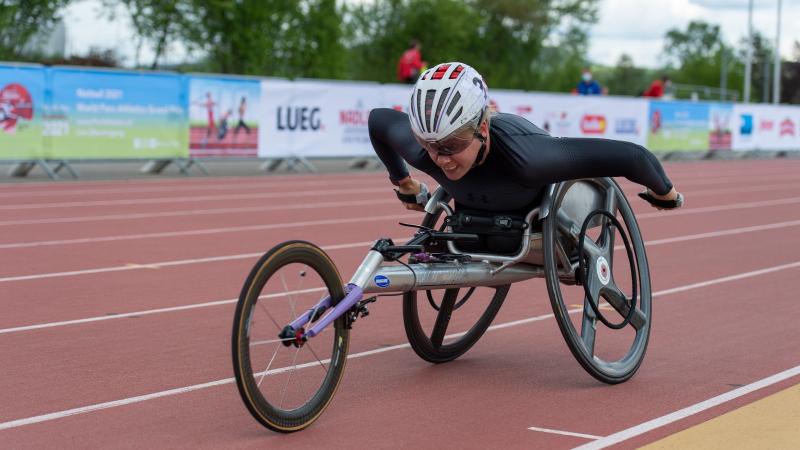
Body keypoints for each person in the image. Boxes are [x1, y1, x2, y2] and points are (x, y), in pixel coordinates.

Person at [368, 62, 683, 218]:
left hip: (537, 204)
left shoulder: (530, 159)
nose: (441, 159)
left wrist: (665, 193)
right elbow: (377, 120)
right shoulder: (421, 150)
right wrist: (404, 183)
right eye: (429, 146)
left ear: (482, 128)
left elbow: (633, 157)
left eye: (452, 146)